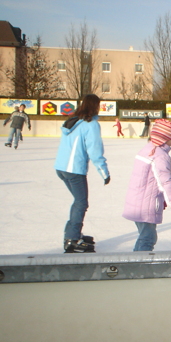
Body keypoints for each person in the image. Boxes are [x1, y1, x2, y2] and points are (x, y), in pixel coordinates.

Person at [54, 94, 110, 253]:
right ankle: (72, 239)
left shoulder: (74, 120)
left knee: (78, 201)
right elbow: (94, 149)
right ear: (95, 106)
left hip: (61, 167)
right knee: (81, 202)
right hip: (74, 170)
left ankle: (72, 233)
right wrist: (104, 172)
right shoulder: (90, 124)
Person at [123, 119, 171, 251]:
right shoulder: (160, 156)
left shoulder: (148, 149)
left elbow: (147, 179)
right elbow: (166, 182)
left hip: (137, 201)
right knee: (148, 238)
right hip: (145, 205)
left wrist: (161, 198)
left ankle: (135, 263)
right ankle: (139, 268)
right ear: (165, 138)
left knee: (145, 236)